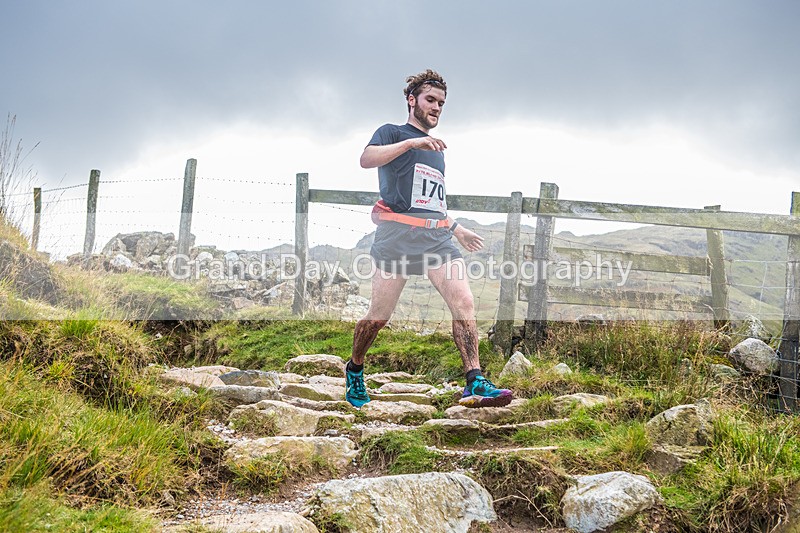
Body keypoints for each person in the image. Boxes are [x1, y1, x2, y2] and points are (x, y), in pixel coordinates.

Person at [344, 69, 514, 409]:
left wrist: (456, 228)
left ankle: (475, 380)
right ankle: (355, 368)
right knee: (379, 315)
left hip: (436, 241)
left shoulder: (438, 151)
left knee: (463, 303)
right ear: (412, 100)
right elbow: (365, 160)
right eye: (430, 100)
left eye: (442, 103)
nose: (437, 108)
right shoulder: (391, 133)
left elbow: (432, 204)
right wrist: (411, 142)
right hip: (396, 239)